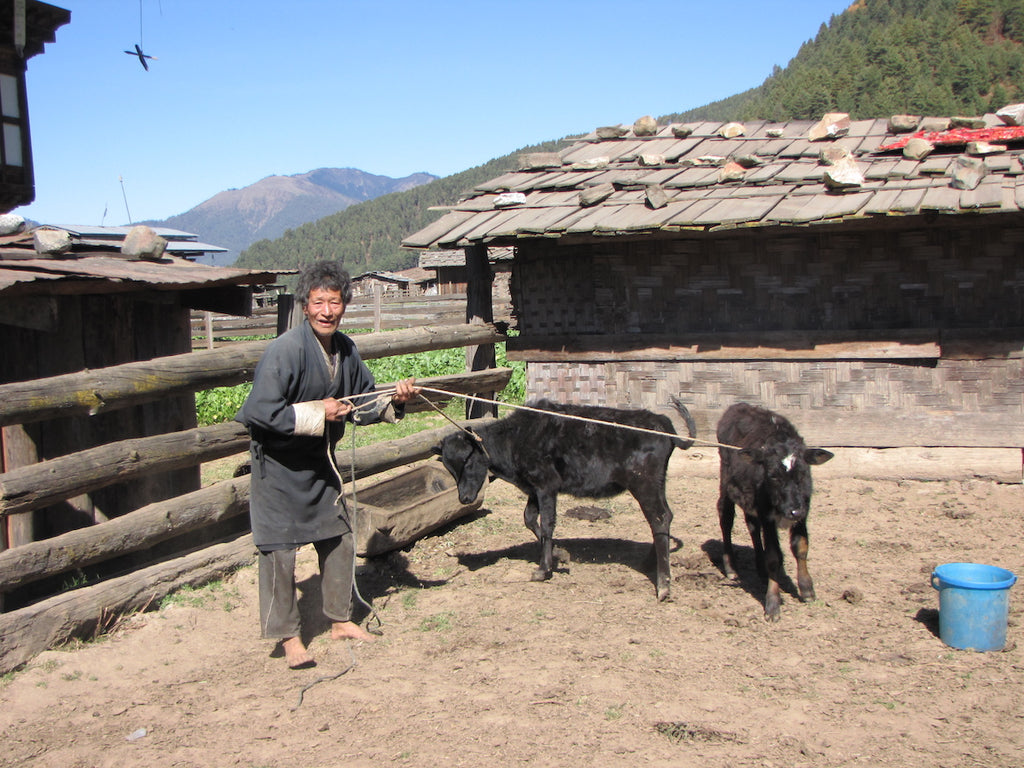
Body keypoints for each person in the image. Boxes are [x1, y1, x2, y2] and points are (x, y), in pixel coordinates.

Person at [236, 261, 418, 669]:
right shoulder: (284, 351)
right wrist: (318, 411)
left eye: (334, 303)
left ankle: (339, 621)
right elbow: (259, 413)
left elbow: (365, 400)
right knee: (279, 553)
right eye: (318, 302)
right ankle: (287, 637)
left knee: (339, 539)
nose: (326, 311)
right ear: (305, 305)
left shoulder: (346, 351)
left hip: (320, 467)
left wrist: (396, 400)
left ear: (344, 306)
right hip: (279, 471)